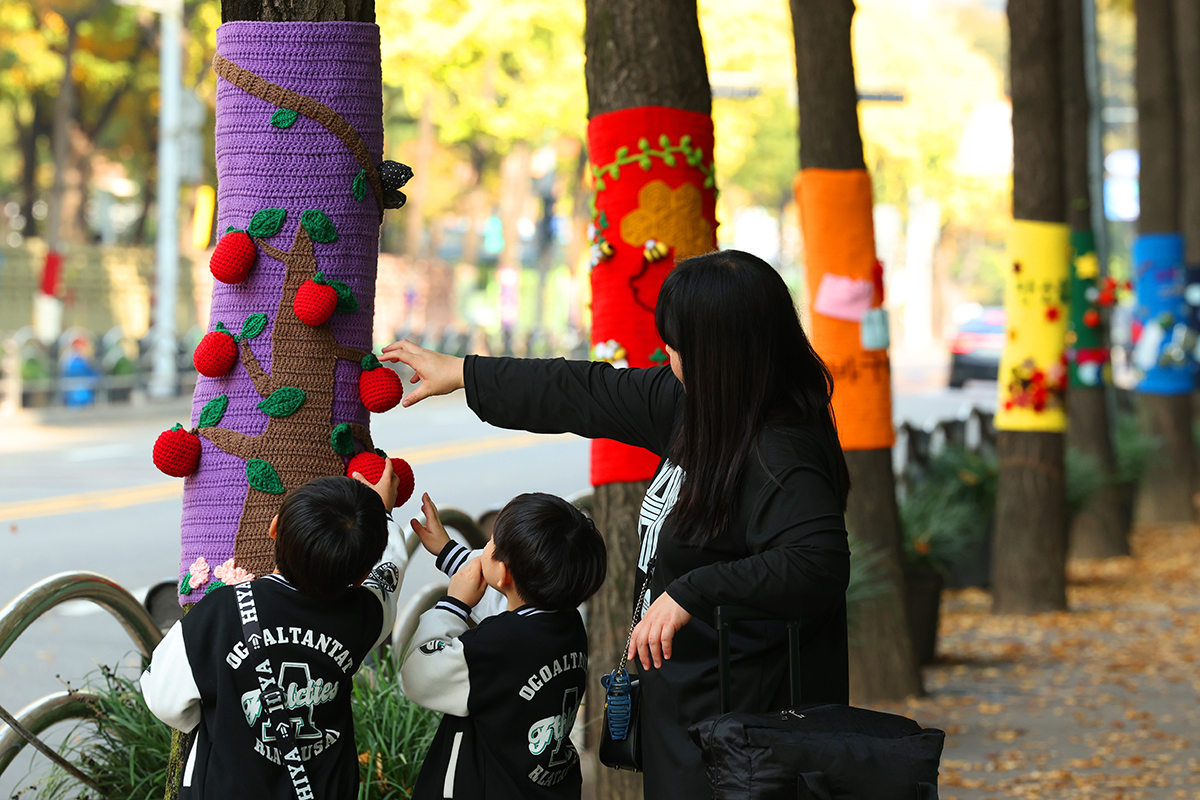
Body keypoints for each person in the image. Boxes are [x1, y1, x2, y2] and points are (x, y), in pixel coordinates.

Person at [383, 250, 851, 799]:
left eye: (678, 346)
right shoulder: (697, 404)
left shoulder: (781, 447)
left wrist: (690, 593)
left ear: (724, 356)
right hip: (692, 711)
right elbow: (584, 392)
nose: (668, 355)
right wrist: (463, 374)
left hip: (748, 733)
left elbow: (818, 563)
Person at [141, 462, 407, 800]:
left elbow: (163, 699)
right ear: (359, 577)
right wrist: (383, 514)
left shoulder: (220, 612)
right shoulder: (363, 616)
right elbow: (388, 574)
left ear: (274, 528)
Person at [400, 490, 606, 799]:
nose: (484, 548)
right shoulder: (566, 622)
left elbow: (419, 675)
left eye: (491, 543)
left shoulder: (497, 646)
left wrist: (453, 605)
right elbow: (509, 599)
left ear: (505, 571)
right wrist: (448, 552)